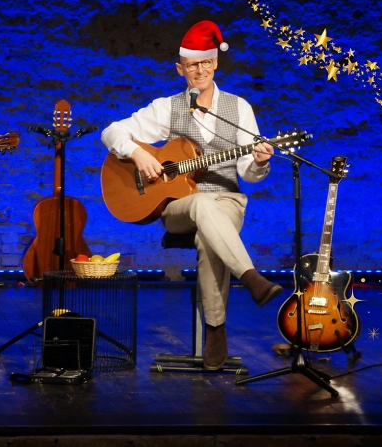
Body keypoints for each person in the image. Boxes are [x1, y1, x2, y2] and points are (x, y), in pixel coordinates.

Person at [101, 21, 282, 370]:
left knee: (208, 239)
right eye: (192, 65)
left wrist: (259, 162)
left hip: (227, 200)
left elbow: (248, 173)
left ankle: (215, 329)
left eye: (206, 63)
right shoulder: (167, 107)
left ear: (216, 63)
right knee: (200, 201)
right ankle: (250, 277)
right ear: (180, 69)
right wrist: (138, 154)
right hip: (178, 206)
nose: (200, 70)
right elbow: (112, 132)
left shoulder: (239, 108)